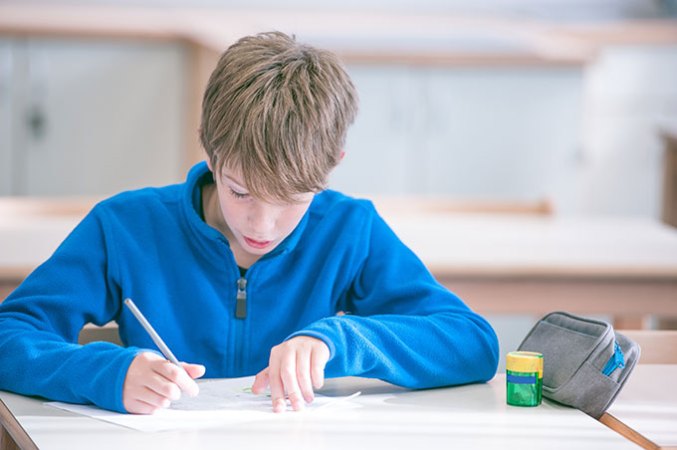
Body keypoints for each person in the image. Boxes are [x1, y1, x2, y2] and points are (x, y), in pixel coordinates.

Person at [0, 31, 499, 415]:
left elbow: (471, 342)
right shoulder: (125, 227)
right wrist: (106, 373)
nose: (263, 223)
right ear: (209, 149)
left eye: (293, 200)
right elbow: (10, 334)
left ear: (333, 164)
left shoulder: (348, 228)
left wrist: (336, 342)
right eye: (241, 192)